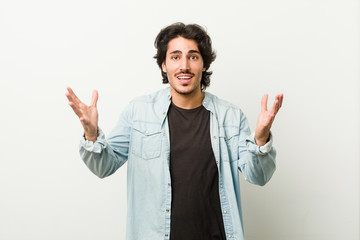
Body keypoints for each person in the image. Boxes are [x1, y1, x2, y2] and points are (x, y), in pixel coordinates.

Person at [66, 22, 283, 240]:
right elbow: (104, 166)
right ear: (164, 65)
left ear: (204, 65)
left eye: (193, 57)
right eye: (175, 57)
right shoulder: (138, 112)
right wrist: (91, 135)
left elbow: (259, 176)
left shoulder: (231, 117)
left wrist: (261, 138)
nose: (184, 66)